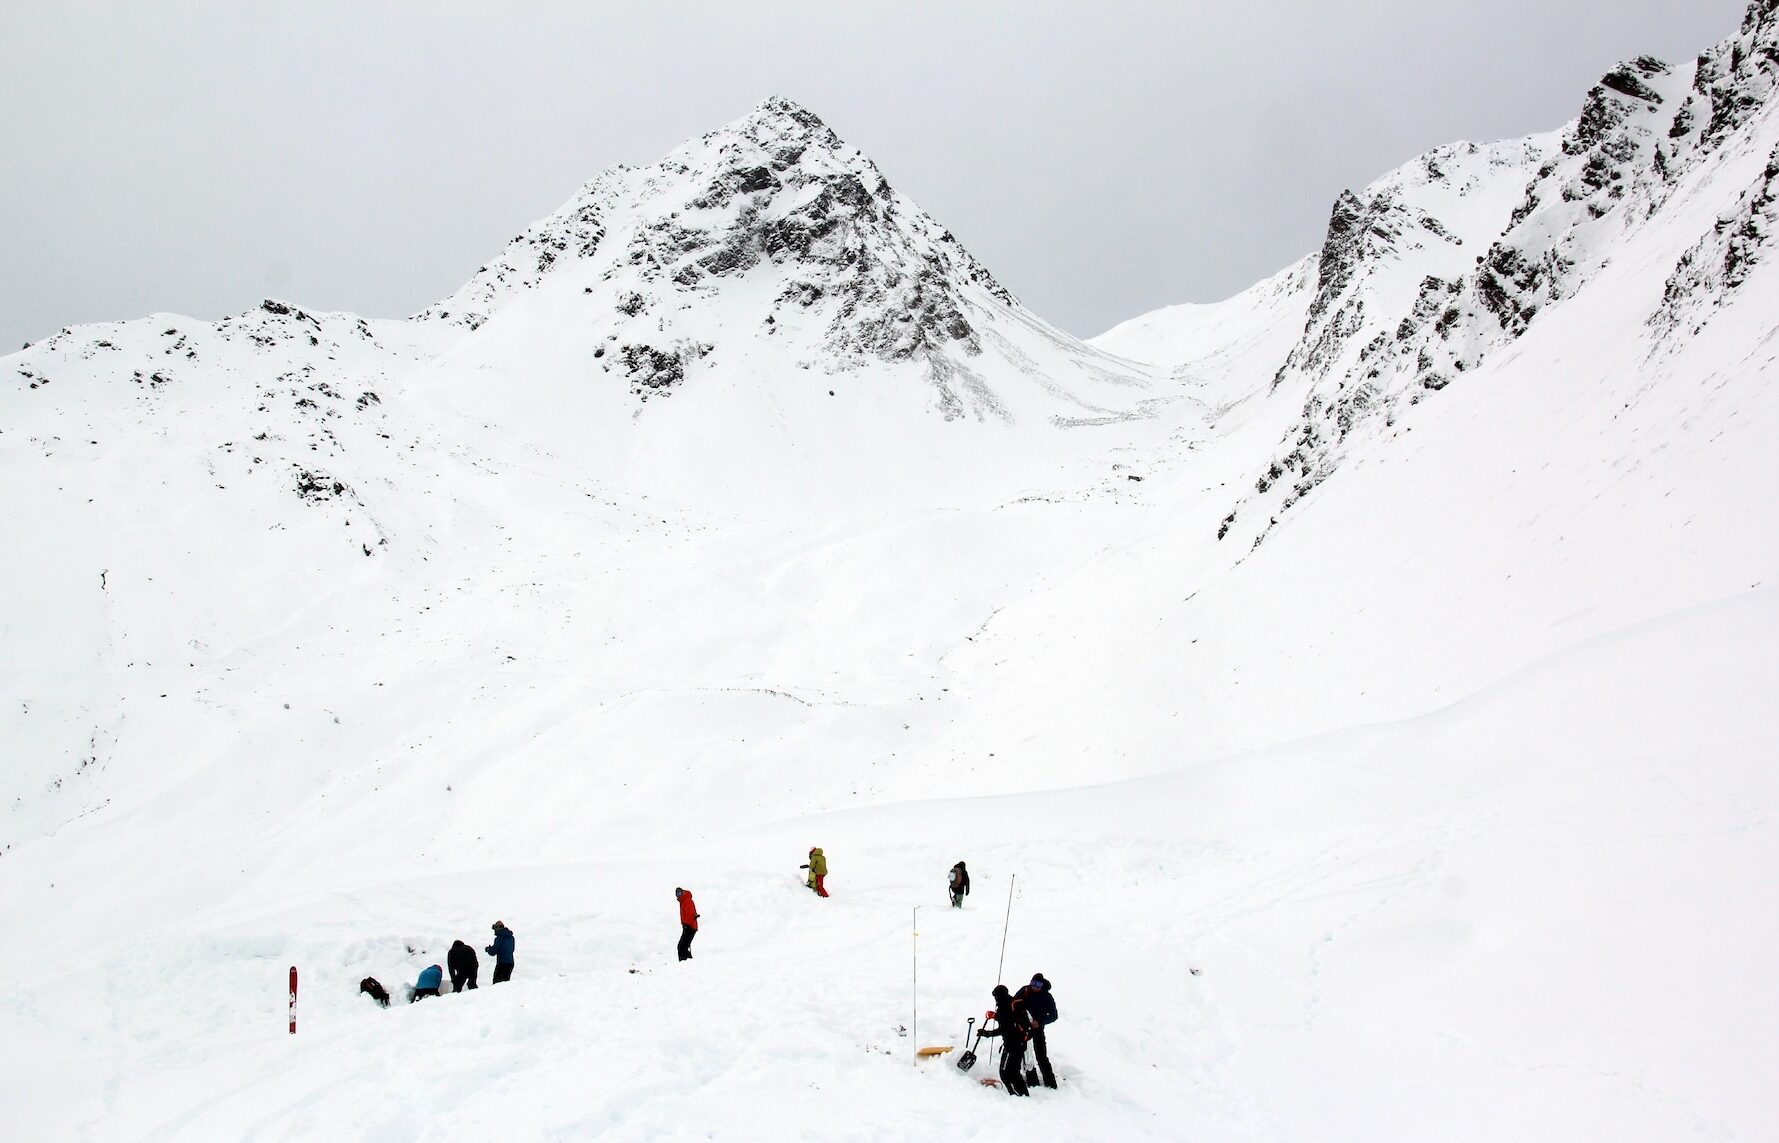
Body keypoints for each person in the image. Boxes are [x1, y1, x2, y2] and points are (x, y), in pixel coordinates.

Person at [974, 984, 1031, 1096]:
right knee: (1014, 1072)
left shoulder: (1004, 1007)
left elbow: (1005, 1028)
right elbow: (1008, 1021)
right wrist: (995, 1016)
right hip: (1020, 1043)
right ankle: (1023, 1095)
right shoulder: (1011, 1003)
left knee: (1005, 1073)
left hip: (1012, 1044)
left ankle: (1015, 1095)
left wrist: (987, 1033)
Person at [1016, 973, 1058, 1088]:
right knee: (1024, 1054)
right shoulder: (1025, 990)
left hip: (1037, 1030)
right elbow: (1014, 1003)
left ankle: (1051, 1083)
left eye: (1038, 985)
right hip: (1023, 1029)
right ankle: (1031, 1080)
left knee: (1041, 1056)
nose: (1035, 987)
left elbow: (1054, 1015)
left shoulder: (1047, 996)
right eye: (1033, 983)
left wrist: (1039, 1022)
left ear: (1042, 985)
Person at [675, 887, 699, 961]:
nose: (679, 895)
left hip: (690, 926)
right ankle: (686, 961)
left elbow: (690, 914)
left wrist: (686, 924)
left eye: (680, 893)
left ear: (683, 892)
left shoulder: (687, 900)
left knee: (681, 946)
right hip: (688, 926)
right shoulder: (683, 901)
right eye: (677, 894)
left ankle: (684, 962)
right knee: (683, 946)